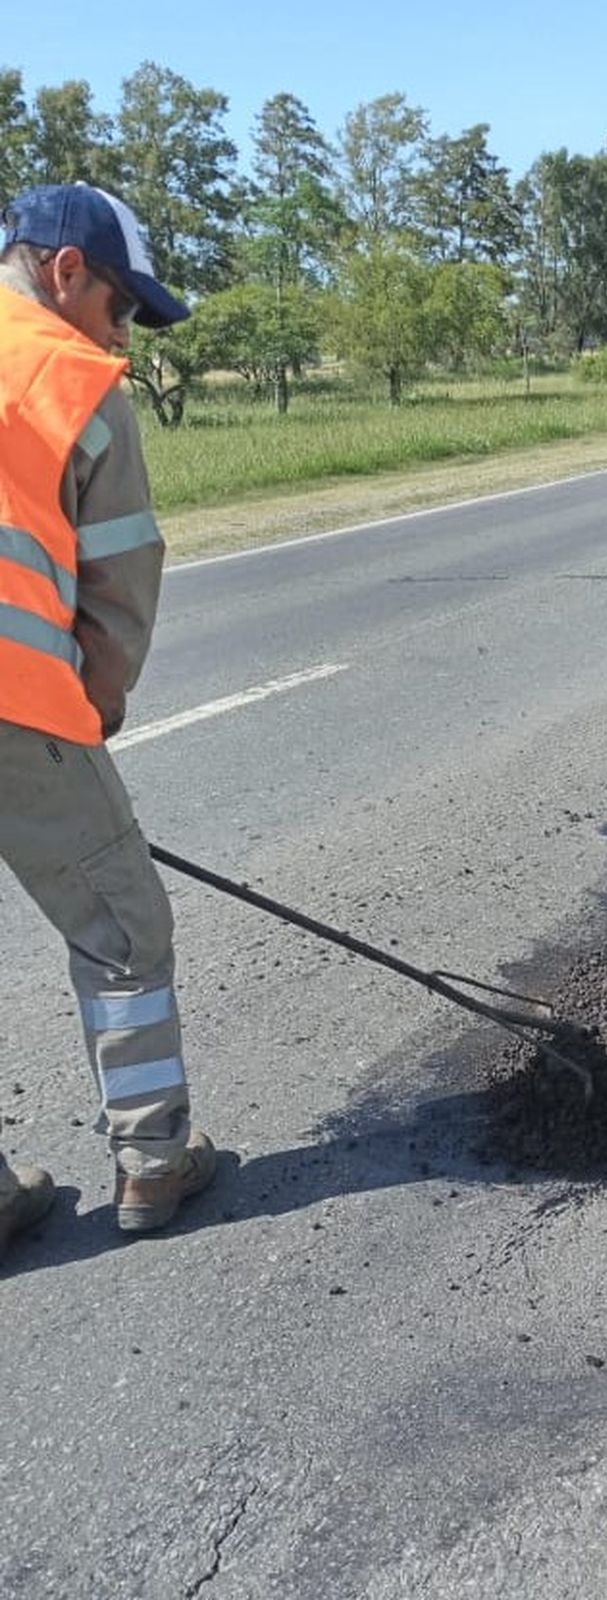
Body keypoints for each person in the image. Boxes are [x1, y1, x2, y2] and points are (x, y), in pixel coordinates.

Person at [0, 183, 216, 1260]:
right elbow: (120, 584)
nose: (121, 333)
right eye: (122, 305)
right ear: (63, 271)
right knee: (124, 931)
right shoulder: (71, 381)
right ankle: (152, 1159)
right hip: (14, 708)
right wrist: (93, 710)